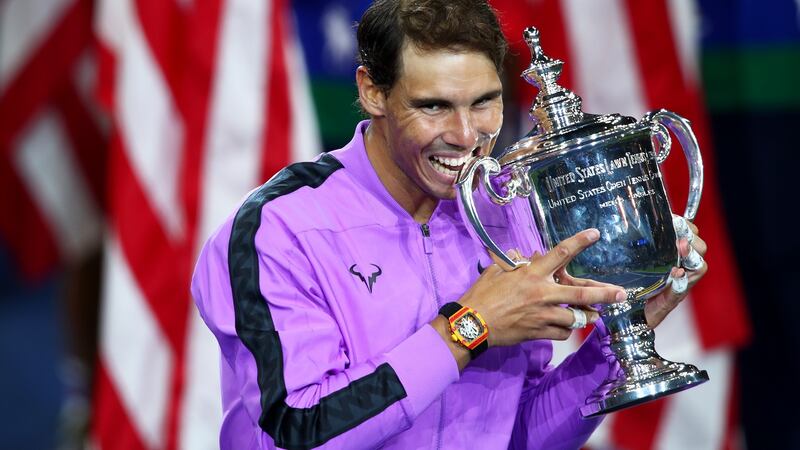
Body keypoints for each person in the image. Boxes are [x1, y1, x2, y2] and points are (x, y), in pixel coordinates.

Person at [191, 1, 708, 448]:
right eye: (433, 106)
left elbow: (518, 434)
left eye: (484, 102)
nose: (466, 135)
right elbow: (297, 431)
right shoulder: (276, 231)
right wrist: (468, 328)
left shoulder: (507, 215)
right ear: (372, 91)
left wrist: (621, 335)